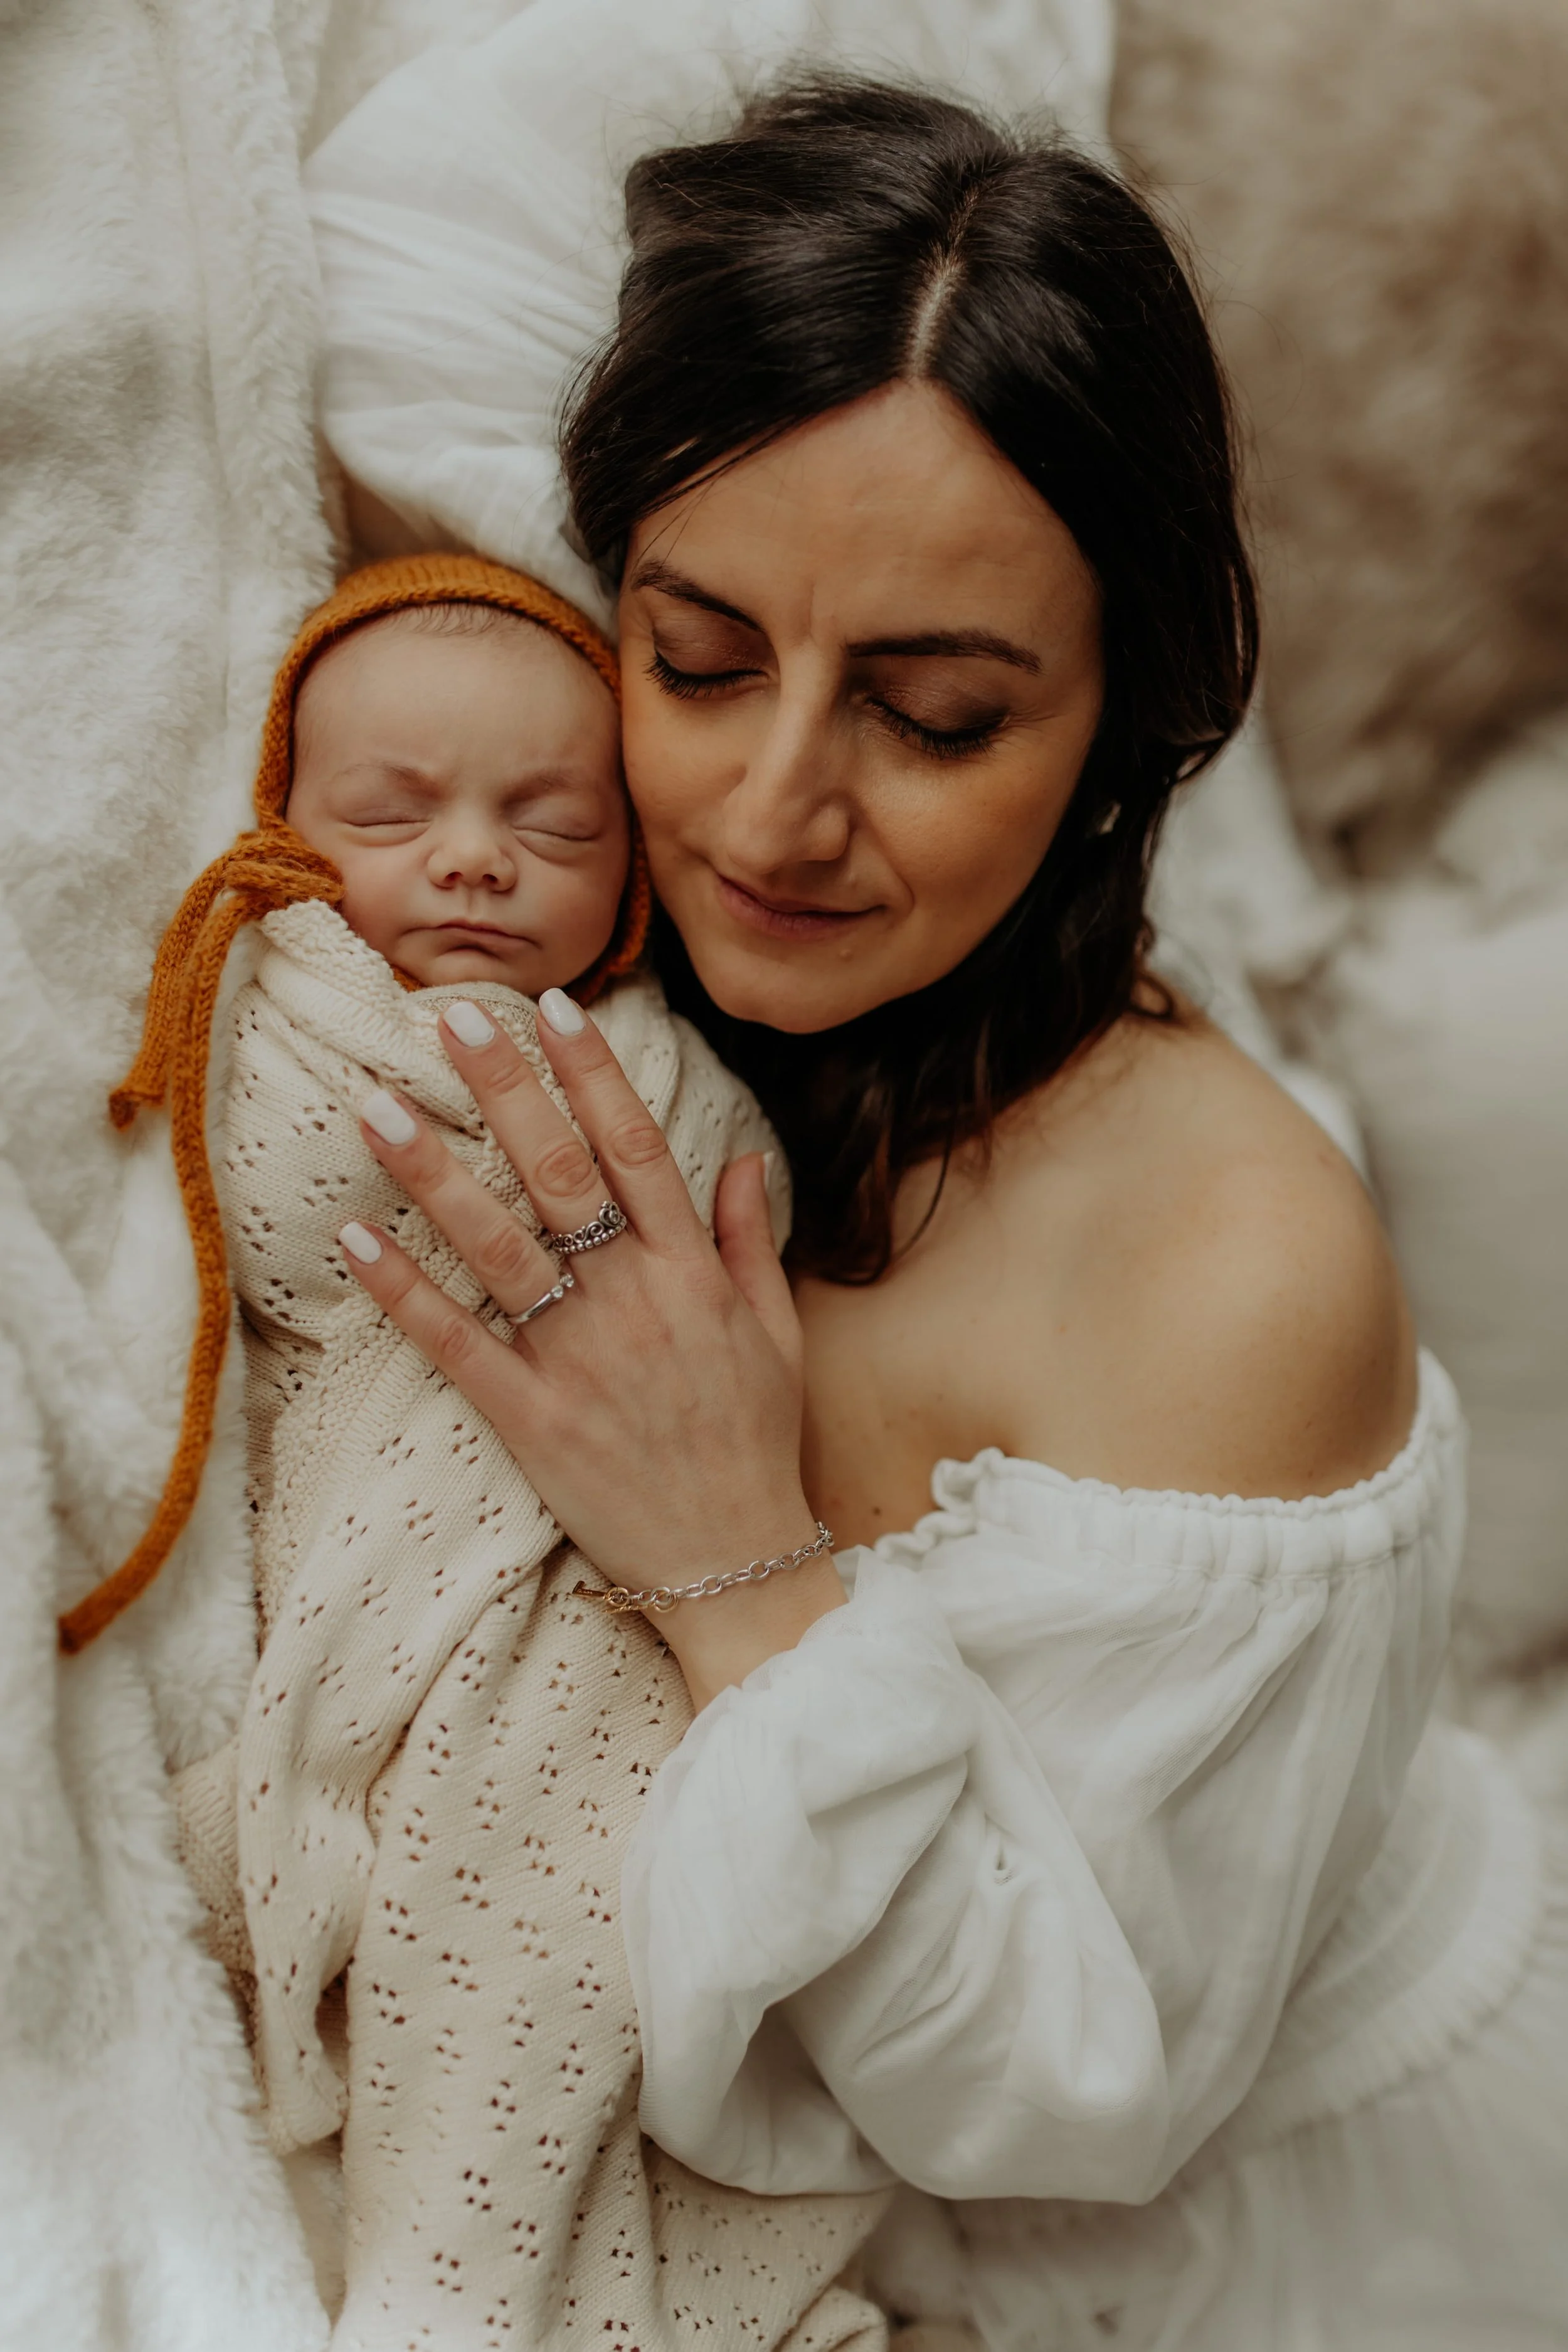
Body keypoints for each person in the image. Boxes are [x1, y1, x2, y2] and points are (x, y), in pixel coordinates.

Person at [303, 33, 1568, 2352]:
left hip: (1259, 2235)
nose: (768, 813)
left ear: (1127, 739)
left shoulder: (1235, 1273)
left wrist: (729, 1554)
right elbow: (409, 216)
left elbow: (1059, 2099)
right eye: (696, 660)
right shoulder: (591, 897)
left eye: (935, 714)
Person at [81, 554, 897, 2348]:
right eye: (395, 810)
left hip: (591, 1618)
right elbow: (282, 1223)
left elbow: (728, 1279)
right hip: (346, 1587)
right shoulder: (271, 1009)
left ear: (628, 880)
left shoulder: (658, 1070)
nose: (471, 856)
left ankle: (458, 2291)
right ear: (287, 827)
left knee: (533, 1910)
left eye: (549, 821)